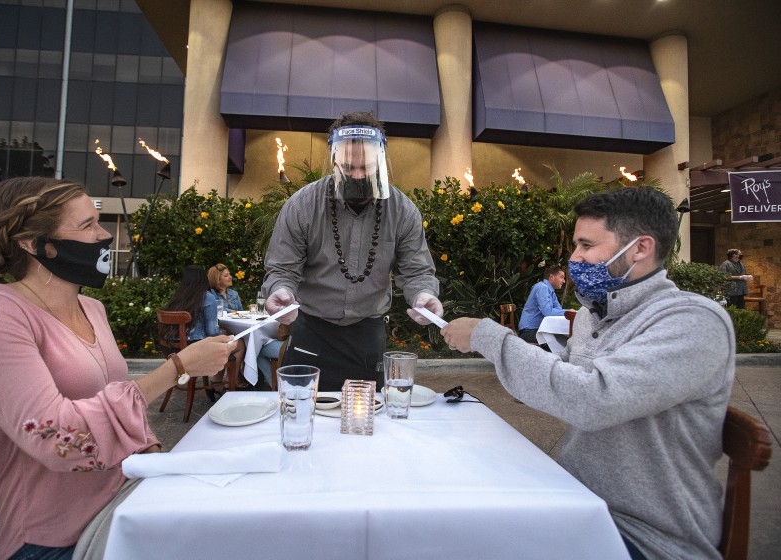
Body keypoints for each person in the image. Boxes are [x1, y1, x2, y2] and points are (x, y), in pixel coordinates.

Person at [0, 177, 236, 560]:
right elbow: (59, 440)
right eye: (87, 226)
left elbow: (111, 402)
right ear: (34, 244)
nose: (103, 235)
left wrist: (153, 454)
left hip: (123, 503)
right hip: (53, 538)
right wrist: (177, 367)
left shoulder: (92, 308)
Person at [441, 187, 735, 560]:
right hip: (576, 503)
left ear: (640, 248)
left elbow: (591, 399)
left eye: (586, 245)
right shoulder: (596, 316)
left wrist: (489, 337)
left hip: (645, 536)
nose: (574, 257)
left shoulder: (692, 321)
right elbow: (563, 381)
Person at [261, 111, 443, 391]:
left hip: (367, 335)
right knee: (303, 419)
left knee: (367, 425)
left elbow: (417, 270)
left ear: (380, 161)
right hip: (312, 331)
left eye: (366, 167)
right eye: (348, 167)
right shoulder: (302, 206)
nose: (357, 175)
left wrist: (424, 295)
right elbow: (282, 268)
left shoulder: (403, 211)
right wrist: (280, 291)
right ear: (333, 160)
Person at [165, 265, 246, 388]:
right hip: (197, 349)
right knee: (239, 344)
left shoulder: (177, 297)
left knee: (223, 339)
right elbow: (212, 332)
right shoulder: (207, 297)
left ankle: (216, 382)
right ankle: (231, 383)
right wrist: (223, 333)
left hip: (174, 350)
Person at [517, 265, 566, 343]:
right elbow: (548, 312)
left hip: (539, 329)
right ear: (552, 277)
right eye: (562, 277)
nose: (564, 281)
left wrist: (565, 312)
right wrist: (568, 312)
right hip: (528, 331)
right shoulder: (542, 288)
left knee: (563, 338)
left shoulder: (551, 291)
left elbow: (558, 309)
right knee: (558, 341)